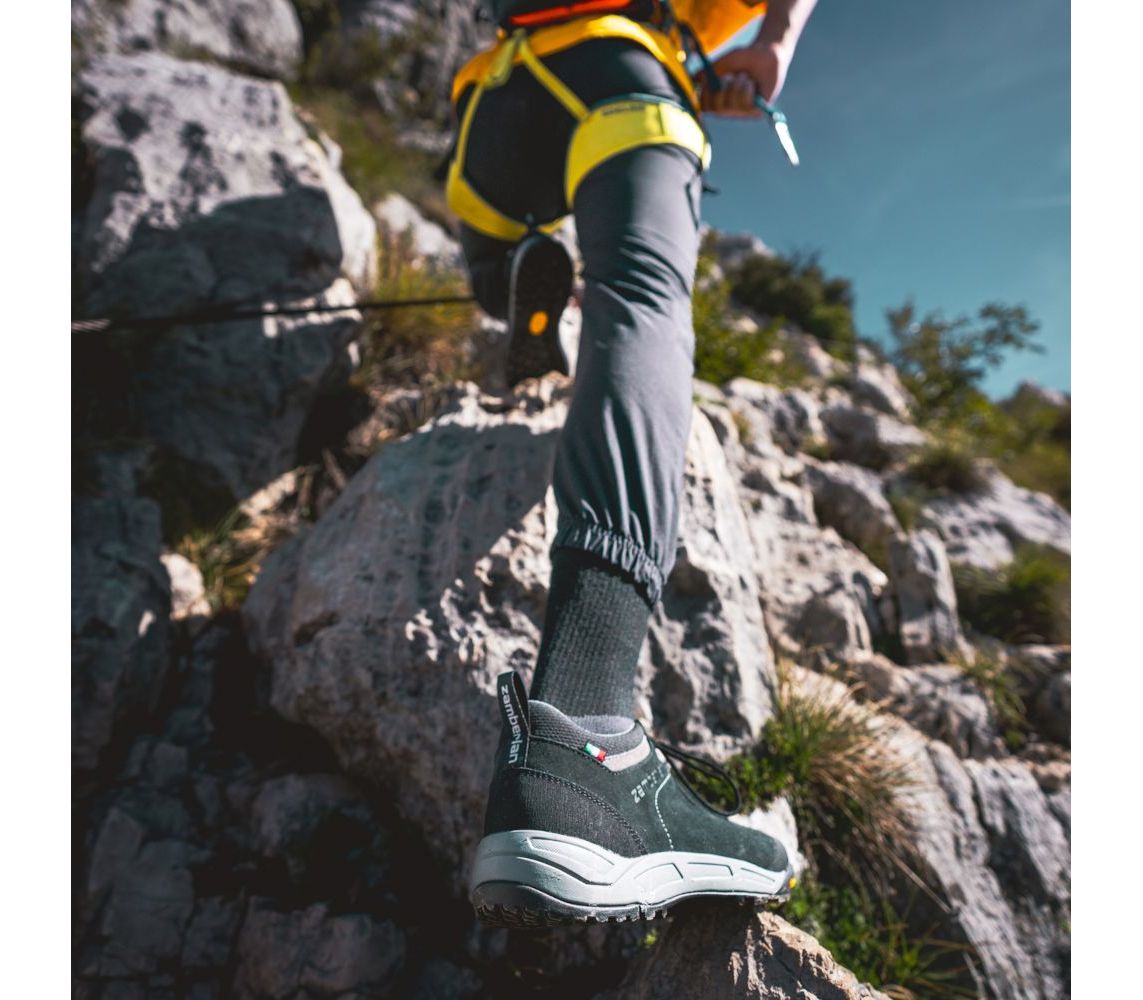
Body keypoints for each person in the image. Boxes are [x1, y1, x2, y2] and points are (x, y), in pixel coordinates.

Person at [447, 0, 818, 925]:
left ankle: (508, 274)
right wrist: (773, 43)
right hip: (625, 77)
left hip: (493, 114)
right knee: (641, 292)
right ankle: (588, 725)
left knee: (507, 245)